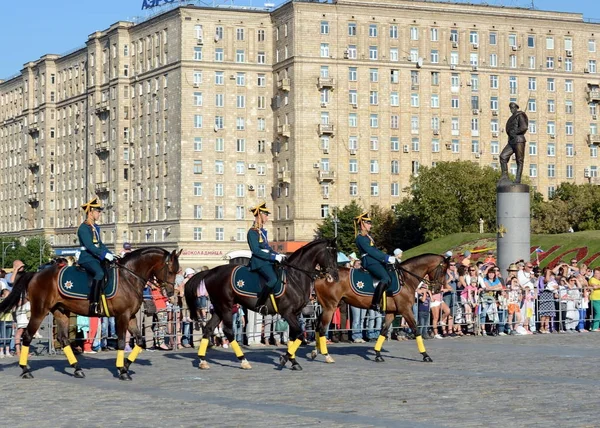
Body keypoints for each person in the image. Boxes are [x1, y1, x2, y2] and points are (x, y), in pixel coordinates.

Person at [77, 197, 115, 315]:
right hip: (86, 257)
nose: (99, 214)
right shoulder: (83, 228)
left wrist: (110, 253)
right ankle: (94, 303)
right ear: (90, 212)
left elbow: (100, 244)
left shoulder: (95, 227)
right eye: (97, 211)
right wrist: (103, 255)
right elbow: (89, 246)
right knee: (99, 273)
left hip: (95, 257)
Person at [354, 212, 396, 312]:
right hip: (369, 261)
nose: (370, 225)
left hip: (375, 260)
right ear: (362, 224)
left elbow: (376, 250)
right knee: (385, 278)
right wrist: (386, 258)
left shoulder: (368, 237)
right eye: (368, 223)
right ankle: (374, 303)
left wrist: (388, 257)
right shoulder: (360, 238)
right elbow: (371, 251)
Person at [247, 202, 285, 310]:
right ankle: (261, 304)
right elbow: (256, 251)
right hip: (259, 262)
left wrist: (277, 254)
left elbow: (267, 247)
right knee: (273, 279)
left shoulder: (262, 231)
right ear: (259, 215)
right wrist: (272, 257)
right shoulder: (252, 232)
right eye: (265, 214)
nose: (267, 217)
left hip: (266, 260)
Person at [500, 102, 529, 183]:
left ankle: (518, 179)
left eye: (513, 107)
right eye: (510, 108)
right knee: (503, 156)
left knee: (519, 160)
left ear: (516, 108)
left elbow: (524, 127)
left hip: (519, 140)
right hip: (511, 141)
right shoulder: (511, 118)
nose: (512, 109)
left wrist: (515, 131)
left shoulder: (520, 115)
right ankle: (505, 176)